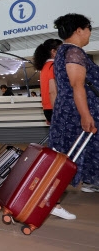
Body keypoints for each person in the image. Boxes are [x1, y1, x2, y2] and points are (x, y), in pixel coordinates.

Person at [50, 13, 99, 195]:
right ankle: (51, 193)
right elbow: (77, 85)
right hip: (76, 111)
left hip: (68, 109)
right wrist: (85, 115)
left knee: (70, 149)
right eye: (88, 29)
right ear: (79, 30)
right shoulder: (74, 52)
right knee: (74, 149)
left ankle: (89, 181)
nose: (89, 34)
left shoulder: (64, 51)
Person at [33, 37, 76, 220]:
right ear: (53, 51)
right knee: (62, 156)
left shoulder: (44, 67)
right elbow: (53, 91)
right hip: (56, 110)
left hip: (49, 110)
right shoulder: (52, 67)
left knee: (60, 154)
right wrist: (61, 114)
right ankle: (52, 200)